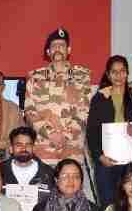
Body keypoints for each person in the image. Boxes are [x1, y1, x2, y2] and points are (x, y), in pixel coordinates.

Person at [87, 55, 132, 207]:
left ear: (127, 73)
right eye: (114, 72)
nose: (118, 75)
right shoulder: (99, 98)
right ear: (108, 75)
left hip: (131, 163)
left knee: (131, 207)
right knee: (108, 207)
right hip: (106, 163)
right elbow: (91, 133)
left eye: (122, 71)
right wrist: (99, 157)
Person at [24, 28, 92, 165]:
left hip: (71, 147)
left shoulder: (82, 76)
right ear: (48, 52)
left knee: (71, 179)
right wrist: (50, 134)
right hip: (44, 147)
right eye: (54, 45)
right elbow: (30, 111)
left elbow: (85, 111)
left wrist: (65, 136)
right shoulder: (35, 77)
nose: (58, 48)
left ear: (69, 50)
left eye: (62, 45)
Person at [0, 126, 56, 206]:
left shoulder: (49, 173)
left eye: (28, 145)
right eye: (19, 145)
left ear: (34, 148)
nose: (24, 149)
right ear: (11, 149)